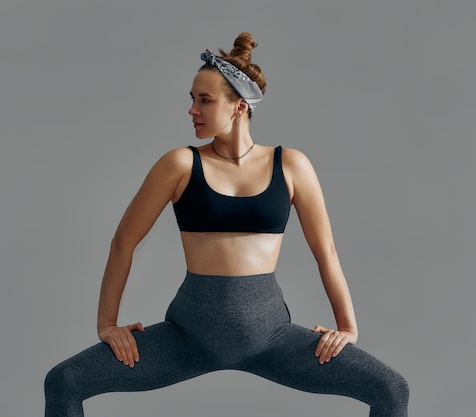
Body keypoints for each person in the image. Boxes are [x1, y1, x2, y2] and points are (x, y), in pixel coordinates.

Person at [44, 32, 409, 417]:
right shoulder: (179, 164)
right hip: (186, 337)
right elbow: (123, 242)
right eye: (192, 99)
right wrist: (107, 324)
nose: (192, 110)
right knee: (64, 382)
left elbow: (326, 252)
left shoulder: (291, 166)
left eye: (204, 100)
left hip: (272, 337)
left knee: (390, 389)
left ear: (240, 106)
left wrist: (347, 328)